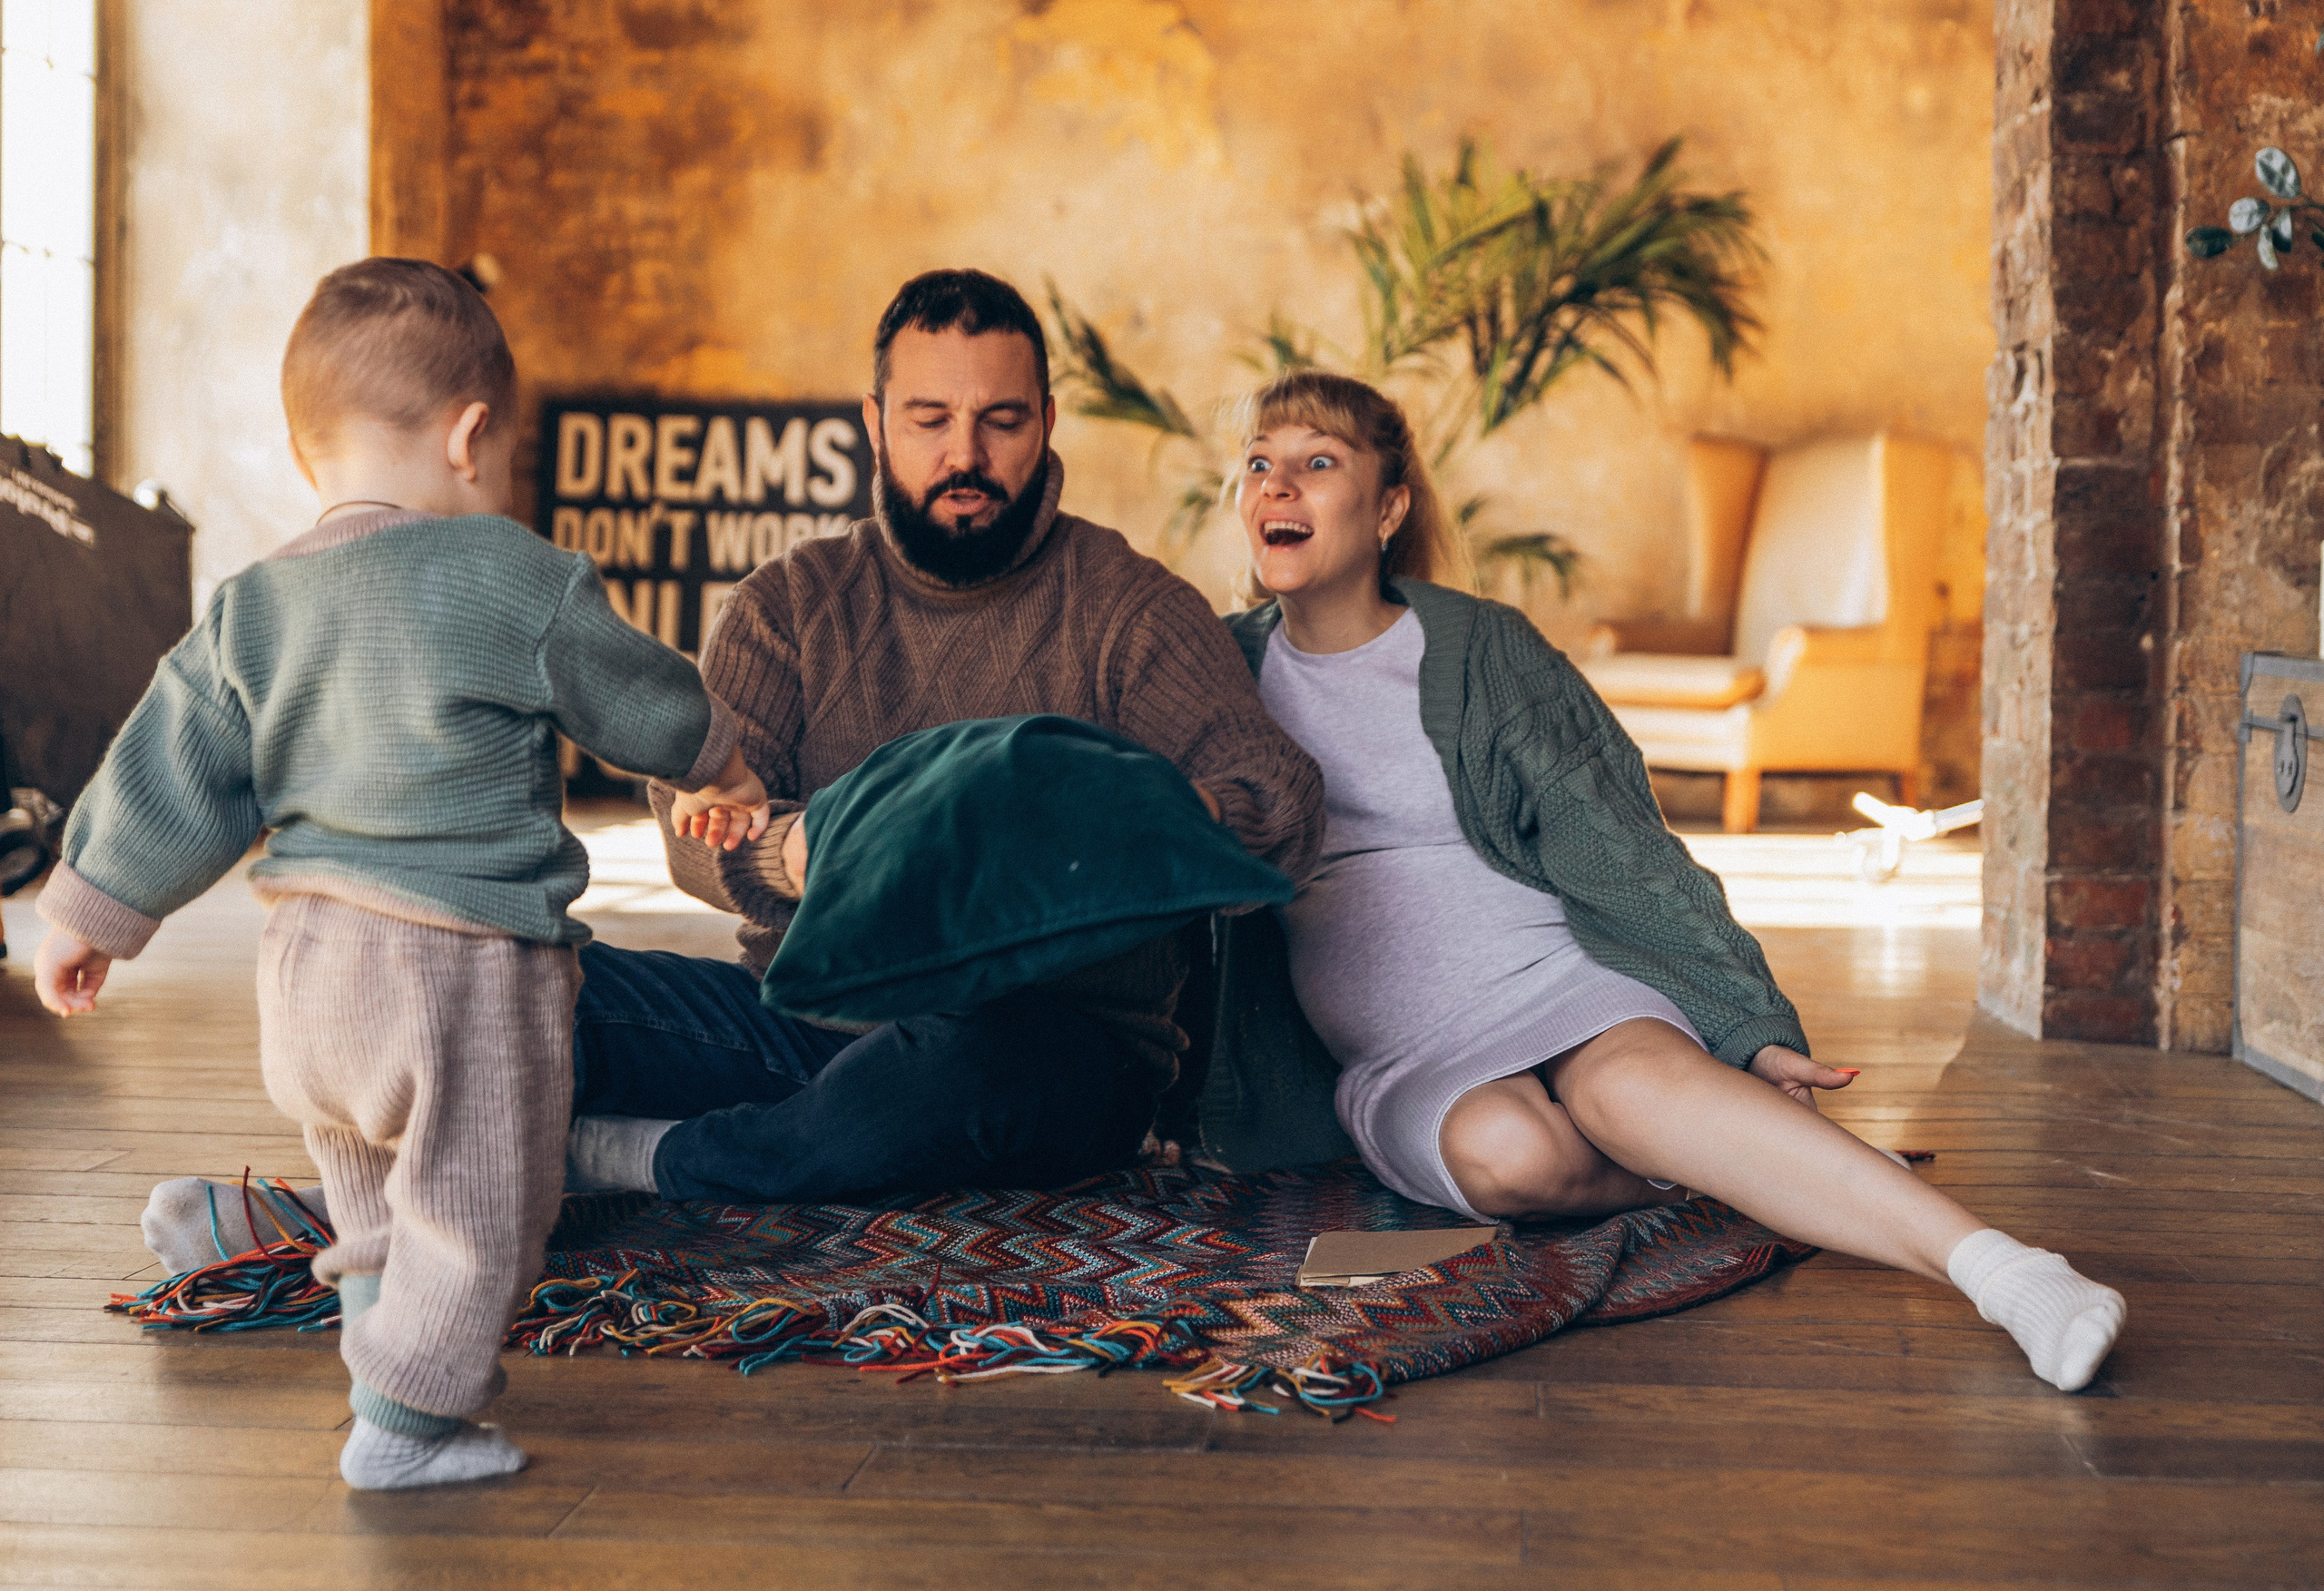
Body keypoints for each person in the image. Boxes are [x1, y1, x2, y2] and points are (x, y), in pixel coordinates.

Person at [137, 268, 1322, 1257]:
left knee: (936, 1075)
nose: (967, 452)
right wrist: (804, 854)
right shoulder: (789, 606)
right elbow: (699, 827)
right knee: (508, 980)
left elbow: (1274, 795)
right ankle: (387, 1205)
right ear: (875, 423)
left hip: (1044, 1050)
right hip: (797, 1021)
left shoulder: (1130, 611)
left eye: (1001, 421)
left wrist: (1083, 822)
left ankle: (562, 1173)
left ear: (1046, 425)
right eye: (930, 419)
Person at [1205, 368, 2128, 1392]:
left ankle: (2008, 1272)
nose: (1277, 487)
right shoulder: (1216, 669)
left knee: (1628, 1082)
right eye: (1260, 465)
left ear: (1387, 506)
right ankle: (1733, 1171)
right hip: (1399, 1047)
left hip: (1555, 972)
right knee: (1510, 1157)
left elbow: (1618, 841)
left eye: (1316, 464)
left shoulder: (1478, 648)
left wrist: (1746, 1021)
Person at [33, 259, 771, 1489]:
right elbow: (630, 690)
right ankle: (412, 1424)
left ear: (305, 442)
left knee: (376, 1196)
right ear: (473, 434)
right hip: (462, 968)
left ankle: (380, 1364)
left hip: (309, 971)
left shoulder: (253, 607)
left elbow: (174, 766)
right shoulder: (509, 573)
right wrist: (721, 762)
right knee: (482, 1206)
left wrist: (88, 906)